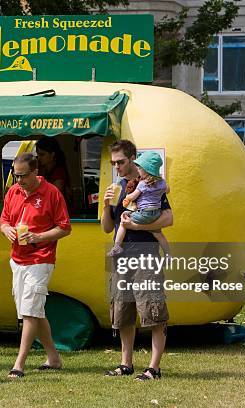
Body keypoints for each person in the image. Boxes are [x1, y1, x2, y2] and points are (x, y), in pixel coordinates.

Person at [101, 140, 173, 381]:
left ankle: (154, 368)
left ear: (133, 158)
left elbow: (168, 218)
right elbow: (107, 227)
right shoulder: (118, 187)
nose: (117, 167)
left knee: (153, 310)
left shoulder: (151, 183)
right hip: (122, 256)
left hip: (146, 254)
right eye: (114, 163)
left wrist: (135, 224)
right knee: (123, 310)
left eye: (120, 162)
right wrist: (104, 206)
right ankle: (126, 364)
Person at [0, 152, 71, 378]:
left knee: (29, 312)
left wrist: (38, 237)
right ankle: (54, 358)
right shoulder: (13, 191)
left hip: (41, 258)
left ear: (36, 172)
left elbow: (65, 227)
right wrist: (7, 230)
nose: (18, 180)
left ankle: (19, 364)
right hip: (17, 259)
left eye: (22, 176)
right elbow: (4, 220)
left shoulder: (52, 193)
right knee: (33, 311)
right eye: (15, 175)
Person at [108, 150, 171, 257]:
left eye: (140, 167)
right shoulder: (161, 183)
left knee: (124, 220)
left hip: (144, 214)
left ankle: (117, 247)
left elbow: (133, 196)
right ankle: (168, 254)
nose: (138, 169)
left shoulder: (142, 184)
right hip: (155, 214)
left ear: (147, 170)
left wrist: (127, 198)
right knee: (158, 234)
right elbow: (167, 189)